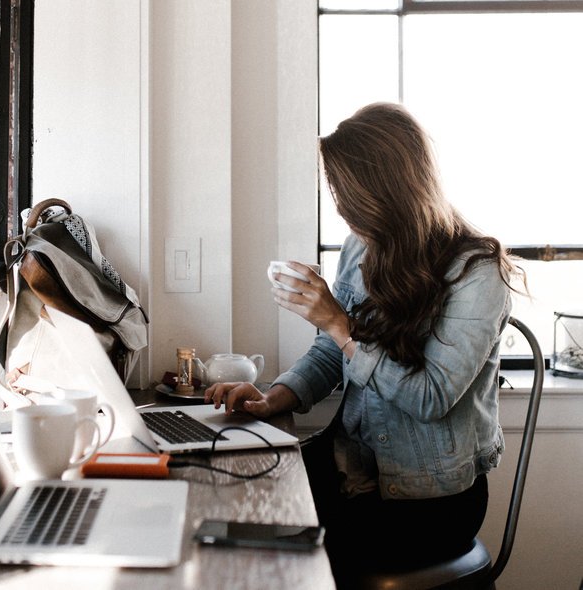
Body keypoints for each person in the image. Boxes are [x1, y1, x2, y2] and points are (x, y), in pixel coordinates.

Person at [204, 102, 525, 589]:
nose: (341, 209)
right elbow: (331, 353)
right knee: (228, 495)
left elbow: (430, 398)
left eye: (347, 194)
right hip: (351, 467)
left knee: (279, 559)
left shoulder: (478, 273)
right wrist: (274, 398)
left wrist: (338, 323)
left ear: (388, 190)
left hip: (429, 500)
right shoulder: (363, 246)